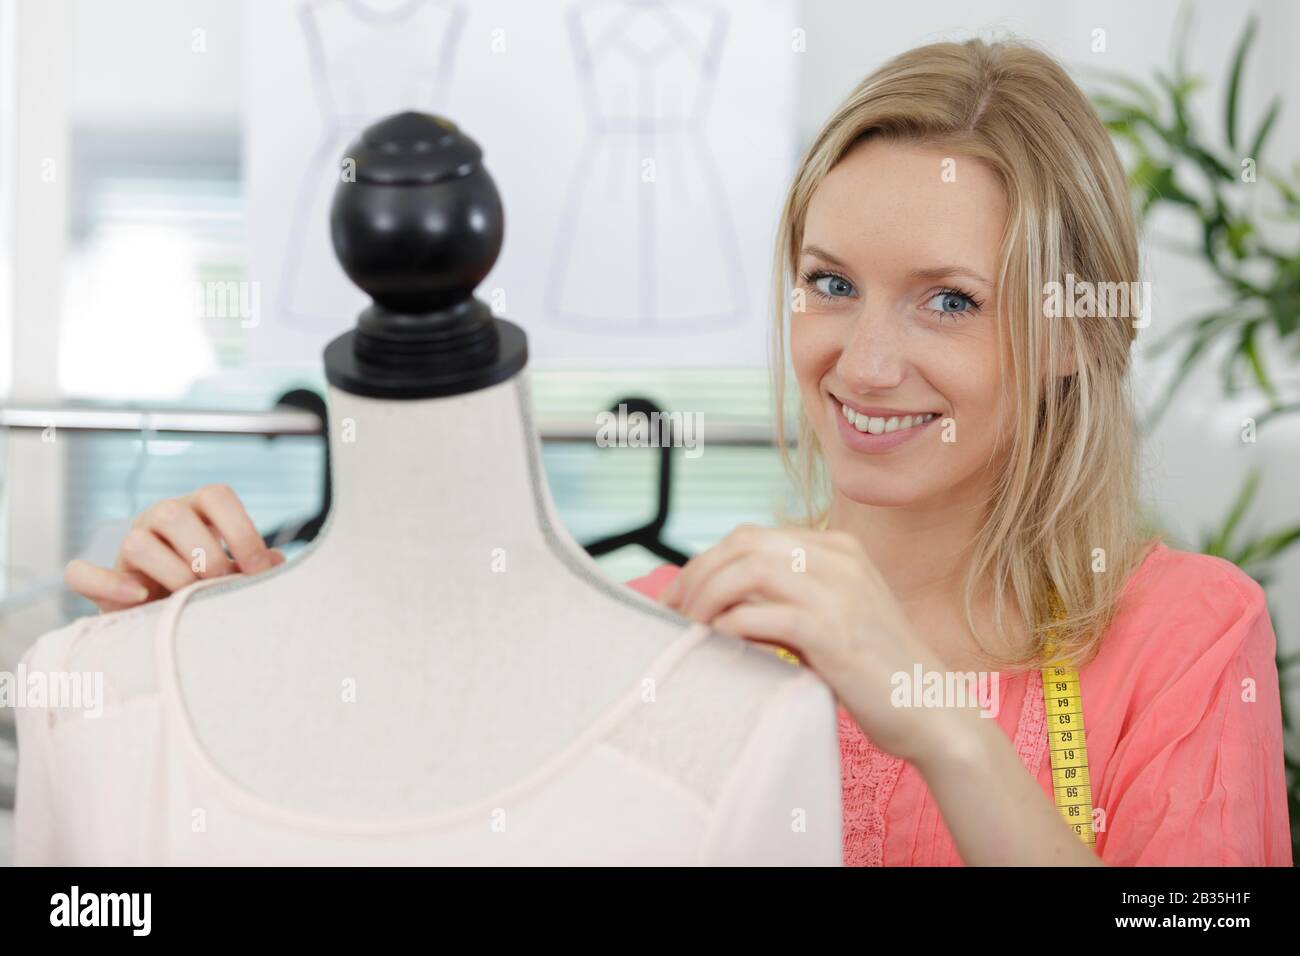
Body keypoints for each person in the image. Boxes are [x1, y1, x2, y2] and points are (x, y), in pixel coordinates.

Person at [64, 37, 1292, 866]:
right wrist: (229, 654)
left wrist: (933, 716)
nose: (863, 363)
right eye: (830, 283)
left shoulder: (1187, 640)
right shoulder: (663, 624)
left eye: (948, 301)